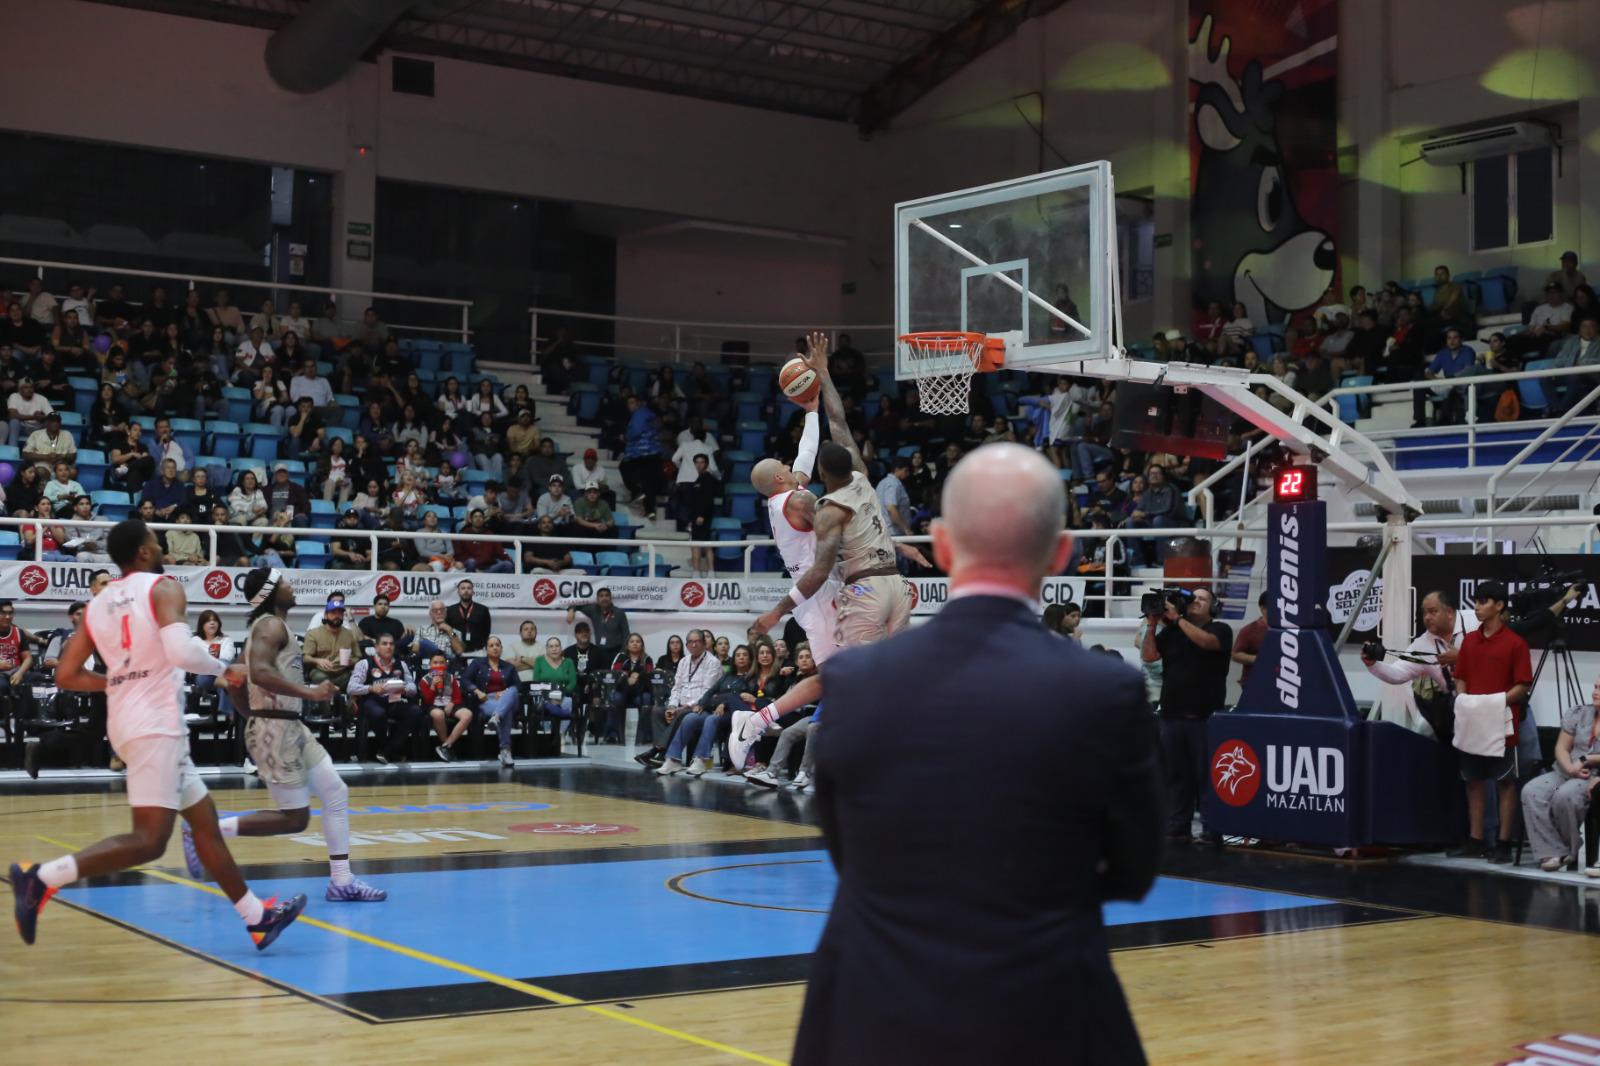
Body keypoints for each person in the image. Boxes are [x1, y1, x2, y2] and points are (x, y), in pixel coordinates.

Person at [790, 442, 1159, 1066]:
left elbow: (845, 849)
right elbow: (1134, 869)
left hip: (871, 1011)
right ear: (1061, 552)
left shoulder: (855, 682)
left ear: (941, 543)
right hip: (1045, 1008)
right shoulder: (1108, 689)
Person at [10, 520, 307, 950]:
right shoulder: (163, 588)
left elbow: (67, 675)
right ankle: (40, 877)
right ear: (144, 552)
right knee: (149, 842)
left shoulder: (97, 604)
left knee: (204, 824)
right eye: (155, 540)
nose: (161, 546)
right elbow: (182, 651)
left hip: (128, 723)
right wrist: (225, 669)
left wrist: (117, 682)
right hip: (155, 725)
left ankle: (256, 918)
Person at [740, 334, 925, 764]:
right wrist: (822, 378)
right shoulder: (849, 484)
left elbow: (812, 448)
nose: (793, 466)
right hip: (844, 587)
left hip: (840, 589)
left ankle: (771, 723)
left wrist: (811, 409)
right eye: (786, 467)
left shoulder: (809, 501)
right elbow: (838, 424)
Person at [196, 568, 387, 901]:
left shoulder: (270, 627)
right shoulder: (270, 625)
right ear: (271, 591)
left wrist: (253, 715)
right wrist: (306, 695)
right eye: (283, 582)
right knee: (295, 819)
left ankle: (342, 881)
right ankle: (207, 830)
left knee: (335, 792)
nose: (290, 585)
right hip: (276, 729)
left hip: (289, 725)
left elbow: (233, 680)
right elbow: (258, 673)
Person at [1451, 581, 1533, 864]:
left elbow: (1522, 685)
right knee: (1472, 781)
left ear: (1499, 605)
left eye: (1483, 601)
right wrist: (1464, 700)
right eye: (1476, 601)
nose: (1477, 607)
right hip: (1472, 721)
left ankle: (1503, 842)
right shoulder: (1470, 641)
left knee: (1505, 782)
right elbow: (1460, 676)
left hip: (1502, 723)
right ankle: (1476, 840)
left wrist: (1495, 704)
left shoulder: (1515, 643)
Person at [1141, 586, 1233, 843]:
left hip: (1205, 718)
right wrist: (1152, 625)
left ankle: (1212, 827)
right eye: (1193, 598)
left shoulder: (1220, 629)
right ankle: (1178, 824)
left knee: (1207, 776)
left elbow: (1206, 643)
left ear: (1213, 607)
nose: (1196, 601)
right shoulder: (1172, 632)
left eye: (1202, 599)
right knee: (1176, 776)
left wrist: (1178, 619)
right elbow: (1149, 655)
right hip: (1171, 716)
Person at [1360, 589, 1474, 738]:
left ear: (1450, 612)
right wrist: (1373, 664)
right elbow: (1397, 673)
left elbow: (1498, 654)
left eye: (1433, 611)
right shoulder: (1422, 644)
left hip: (1489, 702)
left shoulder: (1476, 621)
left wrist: (1462, 657)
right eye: (1424, 613)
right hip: (1457, 712)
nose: (1427, 617)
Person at [1520, 675, 1600, 874]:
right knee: (1533, 791)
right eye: (1595, 687)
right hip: (1565, 772)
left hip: (1590, 777)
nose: (1595, 692)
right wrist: (1570, 767)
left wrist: (1586, 760)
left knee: (1565, 795)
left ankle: (1568, 849)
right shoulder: (1579, 713)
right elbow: (1562, 747)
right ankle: (1552, 850)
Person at [633, 629, 719, 768]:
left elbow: (707, 692)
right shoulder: (684, 661)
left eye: (697, 641)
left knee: (682, 714)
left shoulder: (712, 662)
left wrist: (685, 706)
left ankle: (659, 751)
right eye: (690, 642)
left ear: (704, 643)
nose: (694, 645)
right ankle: (661, 753)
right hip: (680, 706)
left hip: (700, 707)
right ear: (687, 645)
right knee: (657, 710)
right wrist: (672, 706)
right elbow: (676, 687)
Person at [347, 633, 422, 764]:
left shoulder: (401, 664)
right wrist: (371, 688)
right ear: (376, 647)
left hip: (394, 700)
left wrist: (404, 689)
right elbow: (351, 687)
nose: (388, 647)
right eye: (384, 644)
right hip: (372, 701)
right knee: (378, 713)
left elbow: (413, 688)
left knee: (415, 711)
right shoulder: (364, 663)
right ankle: (389, 749)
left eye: (391, 644)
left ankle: (387, 750)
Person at [462, 638, 521, 766]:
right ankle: (505, 751)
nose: (495, 648)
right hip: (487, 700)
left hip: (507, 698)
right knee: (506, 711)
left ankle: (496, 717)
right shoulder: (477, 664)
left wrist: (504, 692)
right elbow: (465, 680)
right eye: (491, 645)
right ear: (486, 649)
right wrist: (477, 691)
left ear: (501, 648)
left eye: (497, 645)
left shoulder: (509, 667)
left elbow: (518, 686)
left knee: (512, 690)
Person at [422, 651, 473, 762]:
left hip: (450, 704)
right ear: (430, 665)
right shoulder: (425, 680)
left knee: (467, 714)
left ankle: (446, 745)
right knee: (438, 714)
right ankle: (447, 746)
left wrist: (452, 703)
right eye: (435, 663)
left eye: (441, 663)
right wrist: (432, 686)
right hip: (433, 705)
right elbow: (427, 700)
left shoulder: (451, 678)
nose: (438, 665)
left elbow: (458, 696)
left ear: (446, 664)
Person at [303, 598, 360, 693]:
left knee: (357, 679)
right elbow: (305, 658)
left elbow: (358, 657)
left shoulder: (350, 634)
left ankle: (336, 693)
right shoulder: (313, 633)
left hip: (342, 674)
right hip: (321, 672)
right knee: (320, 678)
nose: (337, 616)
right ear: (325, 615)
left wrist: (351, 662)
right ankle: (334, 691)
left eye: (340, 613)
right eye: (333, 613)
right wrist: (317, 660)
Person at [565, 588, 630, 655]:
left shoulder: (619, 613)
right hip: (600, 651)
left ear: (611, 598)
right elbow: (578, 606)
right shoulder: (593, 610)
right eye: (601, 596)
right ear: (597, 599)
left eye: (607, 595)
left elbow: (626, 635)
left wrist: (623, 653)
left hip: (616, 651)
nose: (604, 598)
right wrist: (571, 609)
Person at [1231, 591, 1270, 688]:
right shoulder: (1249, 630)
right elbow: (1235, 655)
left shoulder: (1289, 629)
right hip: (1254, 683)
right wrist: (1260, 659)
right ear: (1263, 608)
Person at [446, 579, 492, 654]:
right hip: (455, 651)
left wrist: (481, 645)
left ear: (473, 592)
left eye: (469, 588)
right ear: (458, 592)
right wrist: (453, 638)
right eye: (463, 588)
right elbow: (448, 631)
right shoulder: (450, 610)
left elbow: (486, 631)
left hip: (478, 650)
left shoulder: (483, 610)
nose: (466, 591)